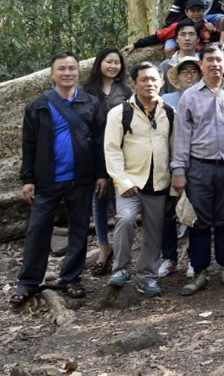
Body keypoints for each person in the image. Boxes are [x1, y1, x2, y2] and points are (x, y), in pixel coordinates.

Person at [11, 52, 108, 307]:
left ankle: (71, 278)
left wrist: (101, 174)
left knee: (78, 230)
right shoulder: (38, 105)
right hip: (47, 180)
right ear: (52, 73)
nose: (67, 73)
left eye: (72, 69)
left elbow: (99, 141)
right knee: (38, 230)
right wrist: (27, 178)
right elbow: (28, 145)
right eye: (62, 69)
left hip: (83, 178)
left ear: (79, 72)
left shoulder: (90, 103)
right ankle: (28, 282)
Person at [170, 43, 224, 296]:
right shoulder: (190, 96)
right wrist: (179, 170)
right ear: (201, 64)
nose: (215, 64)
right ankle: (200, 272)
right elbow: (182, 137)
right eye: (209, 60)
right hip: (199, 167)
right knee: (200, 221)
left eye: (219, 60)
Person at [104, 62, 173, 297]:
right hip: (130, 182)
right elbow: (111, 149)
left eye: (154, 79)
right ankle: (121, 269)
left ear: (162, 83)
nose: (149, 84)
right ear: (134, 83)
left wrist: (175, 180)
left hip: (159, 181)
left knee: (154, 232)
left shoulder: (169, 112)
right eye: (144, 79)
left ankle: (147, 277)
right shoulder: (120, 112)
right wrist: (122, 181)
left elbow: (173, 147)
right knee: (125, 219)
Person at [81, 47, 132, 277]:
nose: (113, 66)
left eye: (117, 62)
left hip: (122, 152)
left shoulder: (125, 91)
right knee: (98, 198)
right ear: (99, 63)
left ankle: (122, 252)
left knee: (121, 201)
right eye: (108, 62)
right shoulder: (87, 90)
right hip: (95, 151)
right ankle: (103, 247)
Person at [158, 57, 201, 277]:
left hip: (197, 163)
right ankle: (169, 257)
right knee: (168, 213)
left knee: (193, 212)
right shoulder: (166, 100)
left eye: (194, 72)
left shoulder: (205, 97)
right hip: (168, 164)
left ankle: (194, 259)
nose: (189, 76)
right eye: (185, 72)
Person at [124, 0, 220, 55]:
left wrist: (213, 32)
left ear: (203, 12)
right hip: (181, 56)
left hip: (200, 55)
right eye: (192, 11)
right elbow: (158, 36)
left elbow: (215, 39)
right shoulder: (179, 26)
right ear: (186, 12)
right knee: (169, 49)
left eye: (198, 10)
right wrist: (135, 45)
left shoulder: (207, 25)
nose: (196, 14)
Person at [158, 20, 200, 94]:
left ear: (198, 38)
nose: (187, 38)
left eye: (191, 34)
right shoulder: (165, 66)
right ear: (176, 39)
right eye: (183, 34)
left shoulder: (204, 63)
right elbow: (161, 94)